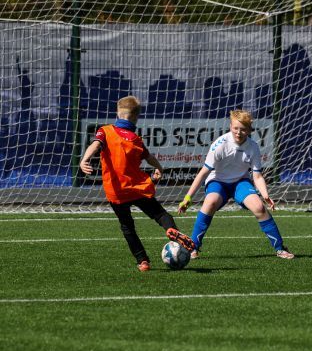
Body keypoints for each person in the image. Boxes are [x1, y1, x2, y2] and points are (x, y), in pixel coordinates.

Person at [80, 96, 195, 272]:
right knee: (160, 214)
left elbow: (95, 145)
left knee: (127, 227)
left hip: (117, 191)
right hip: (137, 188)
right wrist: (159, 168)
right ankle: (171, 229)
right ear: (135, 117)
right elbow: (149, 158)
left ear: (117, 113)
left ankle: (143, 261)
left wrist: (84, 160)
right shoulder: (135, 139)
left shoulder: (105, 131)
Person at [178, 109, 294, 260]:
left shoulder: (253, 147)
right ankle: (193, 247)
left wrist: (265, 195)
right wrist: (187, 198)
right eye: (235, 128)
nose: (238, 132)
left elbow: (257, 176)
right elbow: (203, 173)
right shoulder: (220, 145)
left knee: (259, 207)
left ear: (249, 130)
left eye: (243, 129)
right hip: (217, 181)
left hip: (240, 182)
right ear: (230, 126)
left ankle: (280, 248)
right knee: (210, 202)